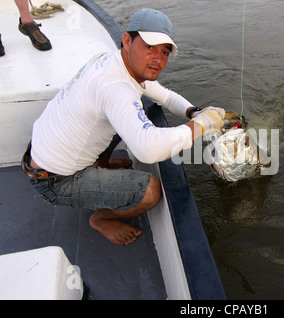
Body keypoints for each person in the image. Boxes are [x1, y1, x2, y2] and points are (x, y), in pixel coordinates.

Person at [21, 8, 225, 245]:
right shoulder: (115, 88)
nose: (158, 58)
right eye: (150, 47)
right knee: (150, 192)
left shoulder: (115, 62)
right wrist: (201, 125)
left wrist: (194, 112)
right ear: (127, 40)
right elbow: (147, 150)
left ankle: (101, 165)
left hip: (40, 154)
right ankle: (101, 219)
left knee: (125, 119)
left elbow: (166, 97)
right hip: (55, 181)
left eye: (165, 51)